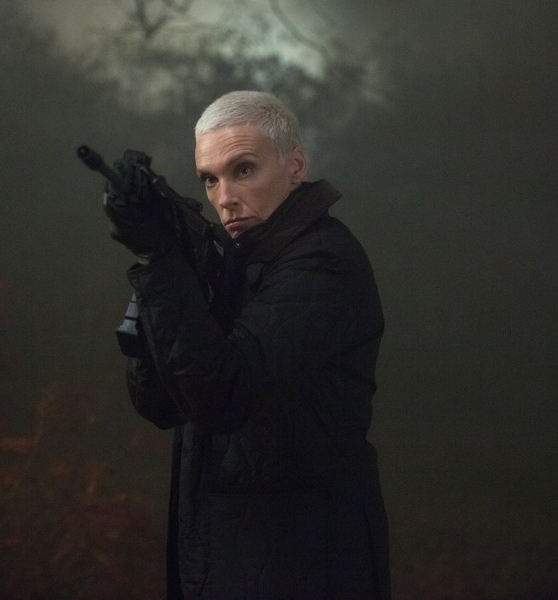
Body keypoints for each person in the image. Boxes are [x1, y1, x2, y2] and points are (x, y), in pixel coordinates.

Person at [103, 90, 391, 599]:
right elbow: (160, 403)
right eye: (210, 179)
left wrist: (164, 264)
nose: (225, 197)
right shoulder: (239, 266)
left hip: (303, 562)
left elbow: (224, 395)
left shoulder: (323, 262)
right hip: (226, 555)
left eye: (243, 170)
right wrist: (172, 263)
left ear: (295, 166)